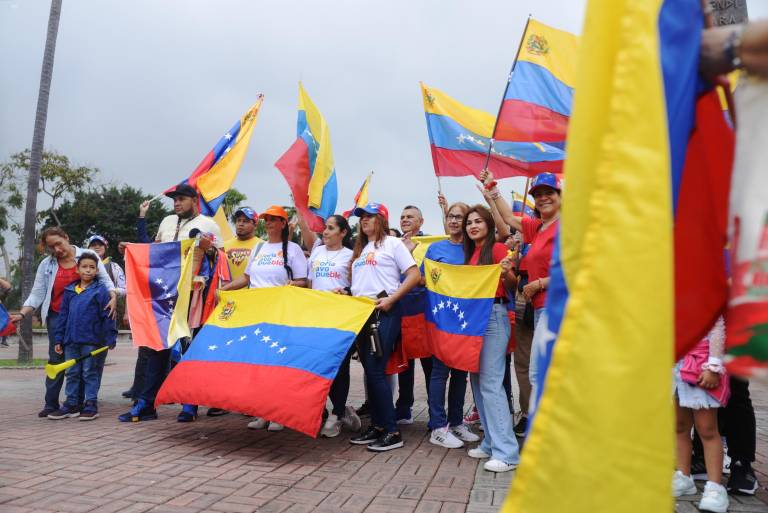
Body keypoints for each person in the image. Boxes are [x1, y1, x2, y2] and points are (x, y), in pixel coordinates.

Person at [118, 184, 221, 423]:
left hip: (193, 296)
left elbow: (220, 261)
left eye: (182, 199)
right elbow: (155, 253)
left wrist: (209, 251)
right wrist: (132, 249)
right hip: (163, 296)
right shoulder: (166, 222)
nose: (176, 203)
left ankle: (190, 404)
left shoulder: (208, 224)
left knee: (190, 350)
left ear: (194, 200)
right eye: (174, 200)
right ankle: (146, 403)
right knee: (157, 349)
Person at [11, 227, 116, 418]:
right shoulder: (47, 264)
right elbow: (37, 293)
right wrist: (23, 313)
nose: (56, 250)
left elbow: (105, 281)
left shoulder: (88, 255)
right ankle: (51, 403)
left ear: (66, 237)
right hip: (58, 317)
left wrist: (113, 297)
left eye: (58, 243)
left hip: (88, 318)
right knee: (57, 359)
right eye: (52, 247)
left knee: (86, 360)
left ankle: (83, 403)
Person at [220, 205, 308, 431]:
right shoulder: (260, 248)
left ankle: (279, 414)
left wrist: (290, 285)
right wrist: (225, 290)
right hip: (256, 314)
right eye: (266, 219)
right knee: (259, 363)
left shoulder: (294, 249)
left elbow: (303, 281)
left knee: (277, 364)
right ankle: (262, 412)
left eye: (274, 219)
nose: (268, 223)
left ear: (283, 224)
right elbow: (247, 278)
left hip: (280, 314)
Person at [345, 202, 419, 452]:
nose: (364, 220)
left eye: (369, 216)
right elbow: (361, 283)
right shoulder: (362, 248)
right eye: (361, 217)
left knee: (377, 370)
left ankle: (392, 430)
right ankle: (377, 425)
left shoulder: (393, 244)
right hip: (361, 314)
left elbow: (413, 274)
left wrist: (392, 299)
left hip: (383, 312)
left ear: (382, 220)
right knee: (370, 370)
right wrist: (345, 291)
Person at [481, 170, 561, 400]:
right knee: (542, 373)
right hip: (539, 309)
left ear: (561, 196)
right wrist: (492, 187)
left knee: (539, 373)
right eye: (538, 195)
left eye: (549, 193)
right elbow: (508, 218)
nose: (543, 198)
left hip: (556, 308)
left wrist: (539, 284)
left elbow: (578, 269)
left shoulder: (567, 226)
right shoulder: (538, 228)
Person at [462, 205, 519, 473]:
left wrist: (506, 270)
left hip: (494, 317)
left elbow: (511, 285)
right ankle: (490, 442)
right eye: (469, 222)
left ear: (488, 224)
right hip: (475, 319)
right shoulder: (471, 253)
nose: (473, 226)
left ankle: (506, 452)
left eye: (478, 221)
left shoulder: (496, 249)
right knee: (477, 381)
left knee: (491, 384)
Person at [424, 198, 480, 449]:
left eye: (460, 217)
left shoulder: (474, 250)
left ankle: (456, 422)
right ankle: (437, 426)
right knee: (439, 371)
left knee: (460, 372)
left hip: (464, 320)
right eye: (451, 217)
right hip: (441, 318)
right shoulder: (435, 249)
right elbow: (425, 279)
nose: (455, 221)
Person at [306, 214, 361, 437]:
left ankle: (338, 413)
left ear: (343, 232)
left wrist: (345, 293)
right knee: (318, 366)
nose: (325, 232)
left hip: (341, 319)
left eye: (330, 228)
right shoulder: (317, 252)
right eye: (324, 229)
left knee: (339, 368)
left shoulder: (350, 256)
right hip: (315, 318)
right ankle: (324, 411)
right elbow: (311, 284)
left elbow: (355, 287)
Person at [47, 253, 118, 421]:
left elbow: (108, 315)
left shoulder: (100, 290)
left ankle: (91, 404)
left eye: (92, 267)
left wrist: (110, 337)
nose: (88, 270)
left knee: (89, 372)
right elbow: (63, 316)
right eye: (84, 267)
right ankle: (72, 404)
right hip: (71, 341)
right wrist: (59, 339)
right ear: (77, 270)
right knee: (72, 372)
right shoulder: (70, 290)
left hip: (91, 341)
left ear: (96, 270)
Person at [673, 317, 729, 513]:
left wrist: (714, 365)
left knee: (706, 428)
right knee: (679, 425)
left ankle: (715, 487)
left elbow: (716, 326)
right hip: (674, 365)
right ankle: (683, 475)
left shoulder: (703, 292)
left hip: (701, 363)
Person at [394, 205, 433, 424]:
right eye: (402, 216)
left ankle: (434, 412)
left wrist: (414, 279)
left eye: (410, 217)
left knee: (429, 365)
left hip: (423, 311)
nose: (405, 219)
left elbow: (434, 277)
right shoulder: (393, 244)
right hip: (401, 310)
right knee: (404, 363)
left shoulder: (430, 244)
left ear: (421, 221)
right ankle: (403, 408)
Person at [224, 206, 262, 280]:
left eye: (245, 221)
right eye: (238, 220)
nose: (240, 224)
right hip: (226, 291)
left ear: (255, 225)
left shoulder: (262, 246)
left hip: (251, 291)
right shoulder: (224, 245)